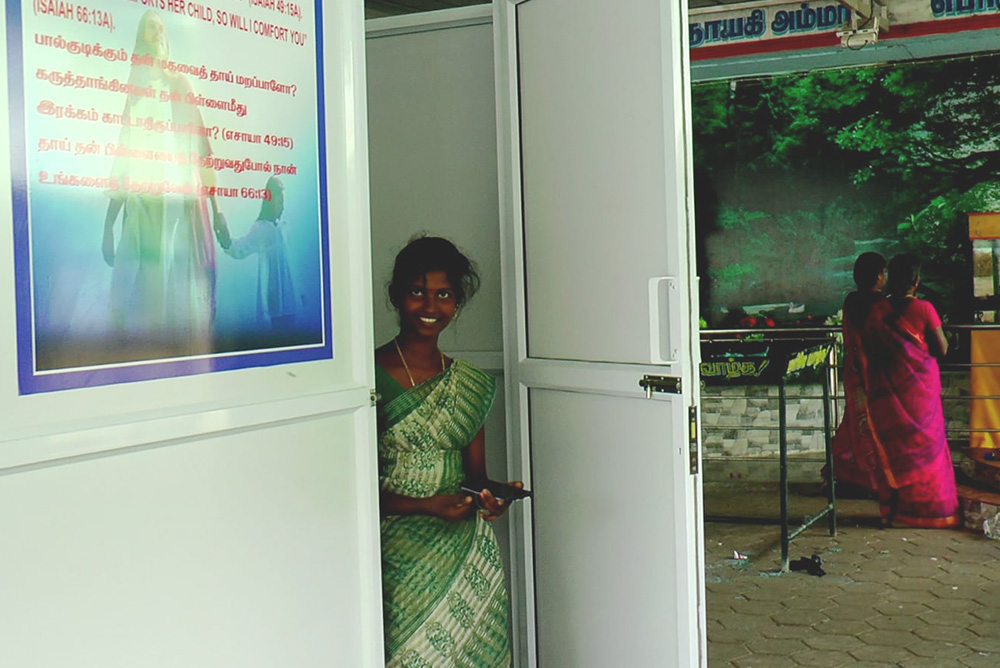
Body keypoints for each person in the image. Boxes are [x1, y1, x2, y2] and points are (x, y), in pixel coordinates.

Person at [374, 236, 518, 667]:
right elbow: (350, 489)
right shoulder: (367, 377)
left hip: (466, 551)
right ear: (397, 296)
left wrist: (492, 498)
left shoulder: (470, 384)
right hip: (395, 552)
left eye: (443, 295)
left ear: (457, 302)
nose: (429, 306)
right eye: (418, 292)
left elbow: (474, 478)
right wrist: (423, 506)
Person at [102, 9, 228, 344]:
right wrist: (107, 225)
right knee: (130, 300)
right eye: (149, 28)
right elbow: (122, 159)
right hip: (140, 210)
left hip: (175, 211)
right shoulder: (135, 93)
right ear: (140, 38)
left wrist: (217, 211)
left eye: (160, 28)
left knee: (176, 300)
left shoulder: (180, 85)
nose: (157, 34)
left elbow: (202, 150)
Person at [863, 253, 959, 528]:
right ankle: (930, 513)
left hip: (887, 397)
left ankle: (895, 513)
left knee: (897, 453)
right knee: (928, 454)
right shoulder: (925, 309)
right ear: (916, 282)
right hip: (921, 397)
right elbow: (942, 348)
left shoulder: (877, 312)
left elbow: (869, 350)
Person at [827, 252, 886, 495]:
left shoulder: (850, 301)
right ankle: (873, 477)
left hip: (853, 372)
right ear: (879, 276)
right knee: (877, 423)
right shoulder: (883, 303)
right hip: (876, 373)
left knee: (854, 420)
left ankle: (845, 472)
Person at [222, 177, 296, 330]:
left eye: (283, 202)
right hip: (274, 301)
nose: (283, 207)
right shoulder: (261, 229)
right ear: (270, 202)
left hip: (290, 301)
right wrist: (225, 238)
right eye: (279, 202)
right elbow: (240, 248)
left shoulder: (284, 226)